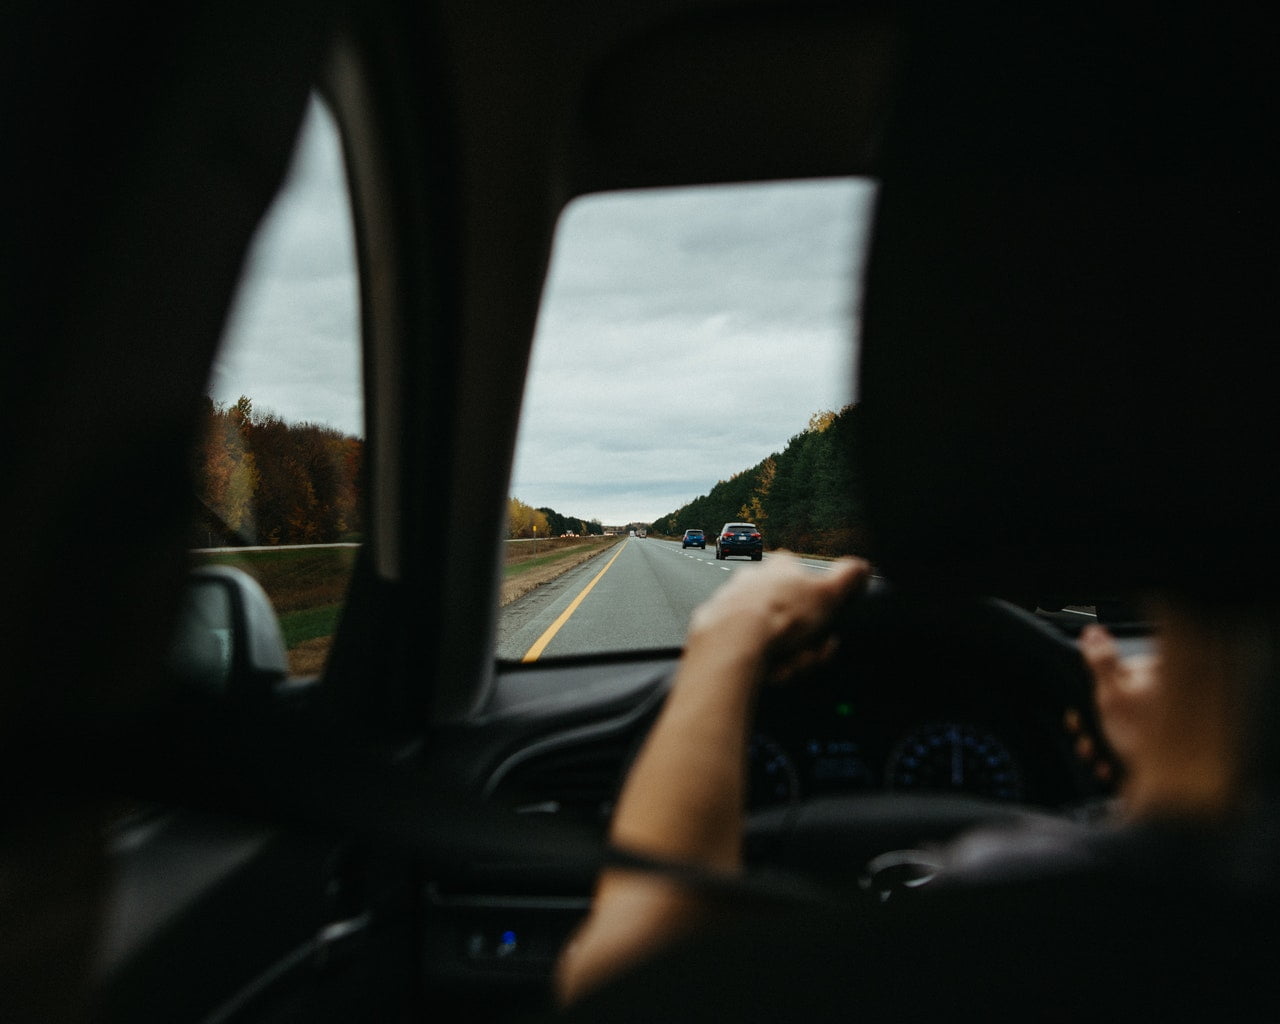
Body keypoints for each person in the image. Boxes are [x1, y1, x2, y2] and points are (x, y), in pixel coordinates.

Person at [553, 554, 1256, 1008]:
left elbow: (626, 985)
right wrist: (1155, 795)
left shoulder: (1001, 918)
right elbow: (1182, 861)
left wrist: (729, 638)